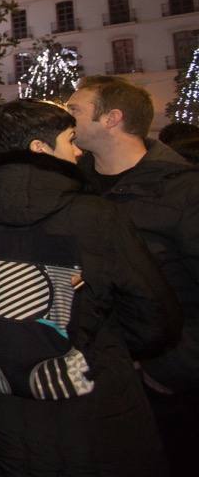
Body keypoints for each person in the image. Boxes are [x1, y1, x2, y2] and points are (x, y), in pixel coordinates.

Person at [0, 99, 180, 475]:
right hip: (83, 418)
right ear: (40, 148)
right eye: (70, 139)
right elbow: (153, 316)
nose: (78, 149)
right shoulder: (95, 216)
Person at [66, 76, 199, 474]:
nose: (66, 120)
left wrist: (170, 367)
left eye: (75, 110)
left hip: (165, 389)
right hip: (92, 379)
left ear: (112, 118)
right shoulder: (72, 186)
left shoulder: (183, 191)